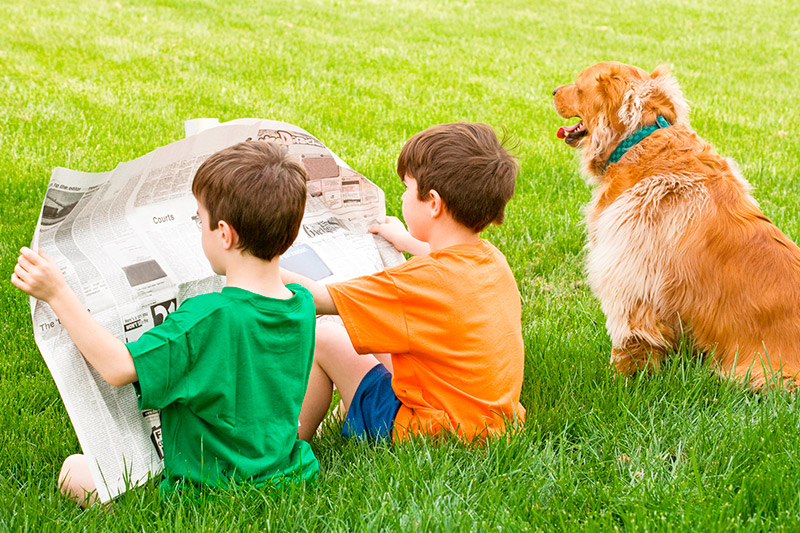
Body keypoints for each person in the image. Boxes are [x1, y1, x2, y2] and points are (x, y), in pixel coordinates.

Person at [12, 141, 319, 506]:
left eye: (199, 221)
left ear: (224, 234)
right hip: (285, 476)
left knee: (73, 471)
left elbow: (118, 367)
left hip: (208, 492)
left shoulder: (207, 317)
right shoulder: (301, 305)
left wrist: (57, 293)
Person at [283, 122, 526, 444]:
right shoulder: (491, 260)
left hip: (429, 432)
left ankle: (290, 443)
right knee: (382, 335)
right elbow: (441, 254)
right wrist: (406, 240)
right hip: (491, 422)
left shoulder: (418, 283)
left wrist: (251, 260)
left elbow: (314, 297)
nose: (402, 195)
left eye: (407, 188)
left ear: (434, 203)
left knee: (326, 335)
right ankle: (350, 405)